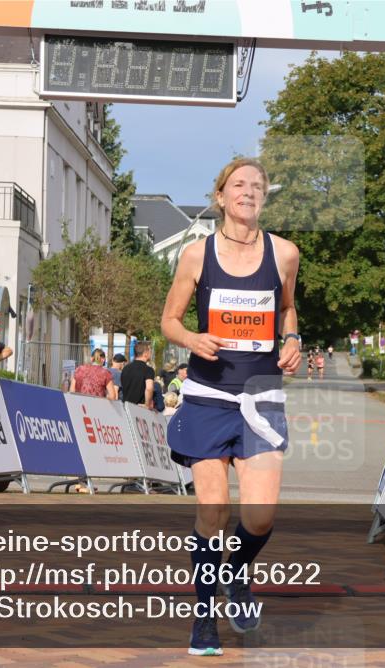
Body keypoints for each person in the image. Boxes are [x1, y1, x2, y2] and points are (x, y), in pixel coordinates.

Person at [160, 157, 301, 656]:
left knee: (259, 518)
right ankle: (204, 622)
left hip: (261, 396)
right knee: (213, 511)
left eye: (257, 186)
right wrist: (192, 339)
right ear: (220, 196)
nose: (248, 192)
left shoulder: (284, 254)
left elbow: (287, 307)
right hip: (208, 396)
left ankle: (236, 572)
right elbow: (170, 320)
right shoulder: (196, 256)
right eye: (238, 185)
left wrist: (292, 337)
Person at [121, 342, 156, 409]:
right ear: (145, 353)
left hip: (126, 407)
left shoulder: (125, 368)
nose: (150, 354)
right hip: (140, 409)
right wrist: (147, 405)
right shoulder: (148, 370)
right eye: (150, 352)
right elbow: (149, 388)